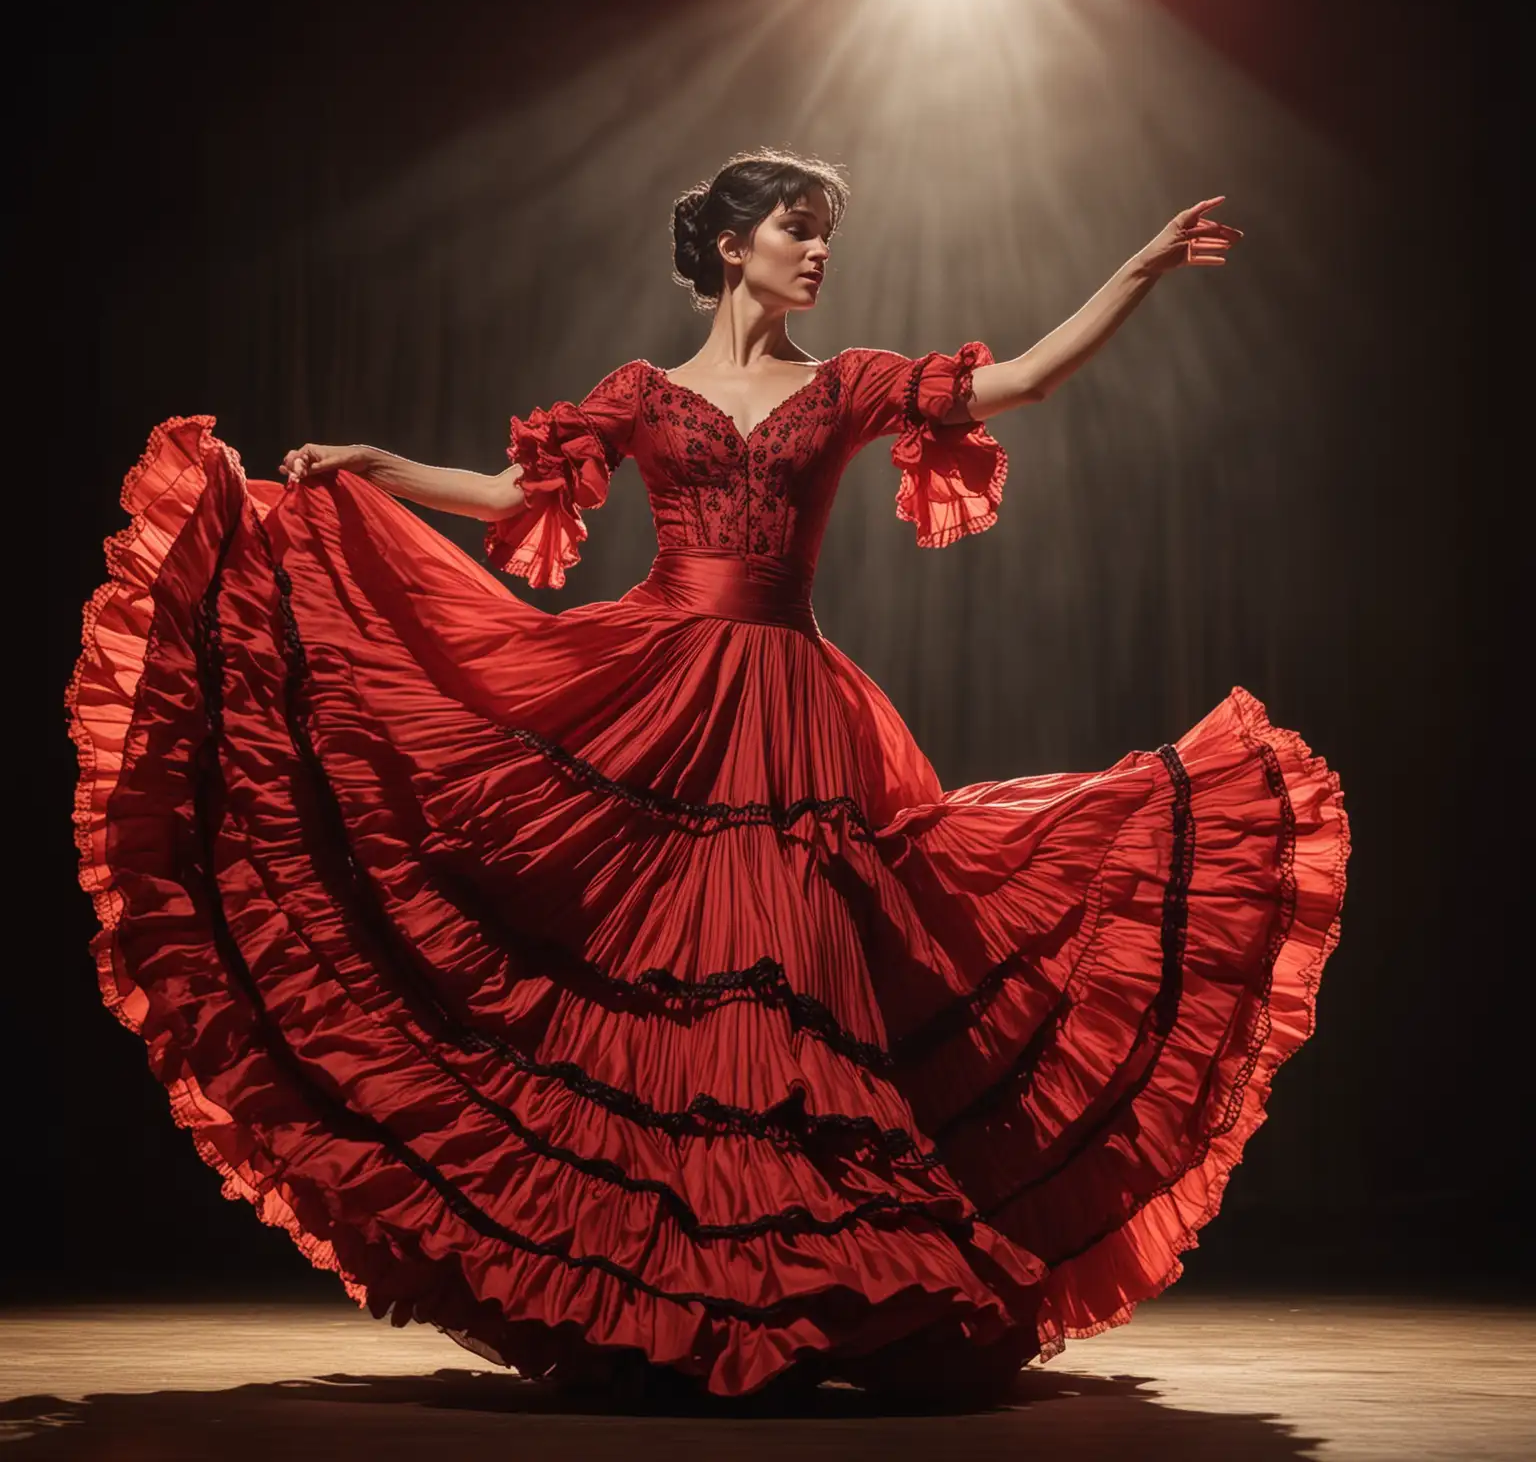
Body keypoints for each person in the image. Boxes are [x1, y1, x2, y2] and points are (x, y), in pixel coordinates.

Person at [66, 147, 1348, 1406]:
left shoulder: (847, 382)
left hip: (788, 711)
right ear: (734, 248)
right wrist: (375, 469)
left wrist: (1136, 270)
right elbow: (514, 490)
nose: (821, 249)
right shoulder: (639, 391)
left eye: (825, 230)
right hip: (659, 695)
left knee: (791, 989)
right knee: (663, 989)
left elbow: (1022, 381)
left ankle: (805, 1290)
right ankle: (667, 1303)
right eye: (799, 227)